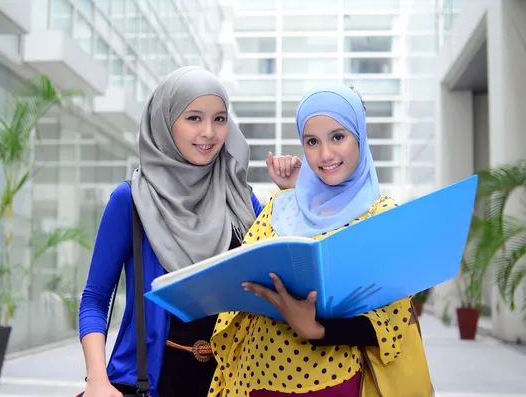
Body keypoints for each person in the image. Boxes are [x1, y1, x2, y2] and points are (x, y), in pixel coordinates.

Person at [77, 66, 300, 397]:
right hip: (151, 382)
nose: (209, 132)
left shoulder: (240, 197)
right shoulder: (131, 199)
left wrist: (287, 193)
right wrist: (97, 379)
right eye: (194, 118)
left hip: (230, 381)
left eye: (219, 119)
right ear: (166, 122)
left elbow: (282, 276)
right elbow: (95, 298)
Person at [208, 84, 433, 397]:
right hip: (256, 378)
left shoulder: (381, 216)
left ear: (360, 137)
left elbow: (388, 320)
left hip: (331, 381)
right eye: (312, 141)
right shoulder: (280, 205)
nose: (325, 154)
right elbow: (243, 276)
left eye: (338, 137)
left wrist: (316, 329)